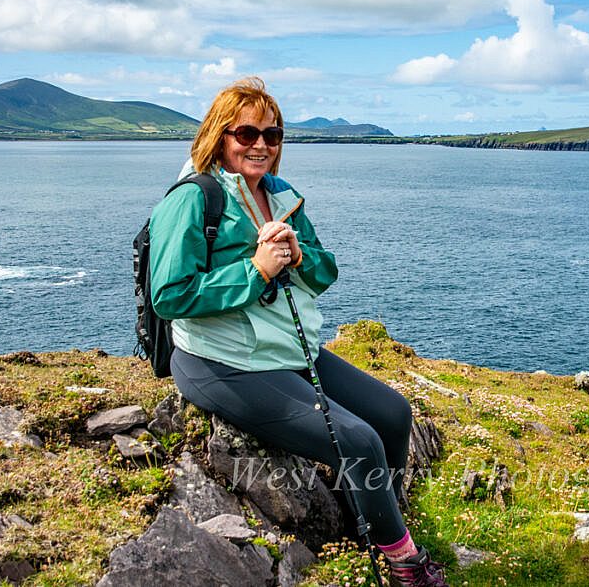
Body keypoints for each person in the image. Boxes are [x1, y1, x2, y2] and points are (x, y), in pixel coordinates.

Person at [148, 77, 448, 587]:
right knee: (358, 441)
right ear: (220, 136)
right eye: (246, 133)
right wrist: (256, 270)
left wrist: (301, 256)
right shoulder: (194, 199)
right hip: (220, 361)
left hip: (289, 350)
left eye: (273, 134)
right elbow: (170, 295)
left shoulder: (282, 196)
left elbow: (326, 272)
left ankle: (374, 526)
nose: (261, 144)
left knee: (393, 416)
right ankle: (403, 565)